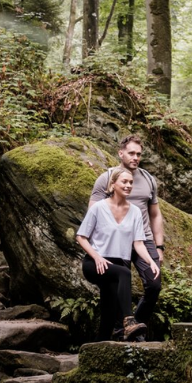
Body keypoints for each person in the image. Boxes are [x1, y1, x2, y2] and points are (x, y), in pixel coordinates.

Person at [89, 135, 164, 329]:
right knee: (116, 288)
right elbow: (93, 214)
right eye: (131, 153)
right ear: (120, 153)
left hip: (143, 239)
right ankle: (120, 331)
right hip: (116, 241)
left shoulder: (148, 179)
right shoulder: (107, 178)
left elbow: (155, 215)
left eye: (138, 154)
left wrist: (159, 246)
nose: (135, 157)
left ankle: (134, 326)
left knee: (154, 285)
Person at [77, 168, 158, 341]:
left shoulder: (135, 211)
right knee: (125, 273)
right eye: (124, 182)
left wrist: (151, 261)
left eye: (131, 182)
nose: (128, 185)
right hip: (95, 262)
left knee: (109, 307)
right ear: (113, 184)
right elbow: (81, 237)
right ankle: (129, 322)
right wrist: (97, 257)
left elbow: (138, 243)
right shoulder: (98, 208)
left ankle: (100, 347)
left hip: (118, 263)